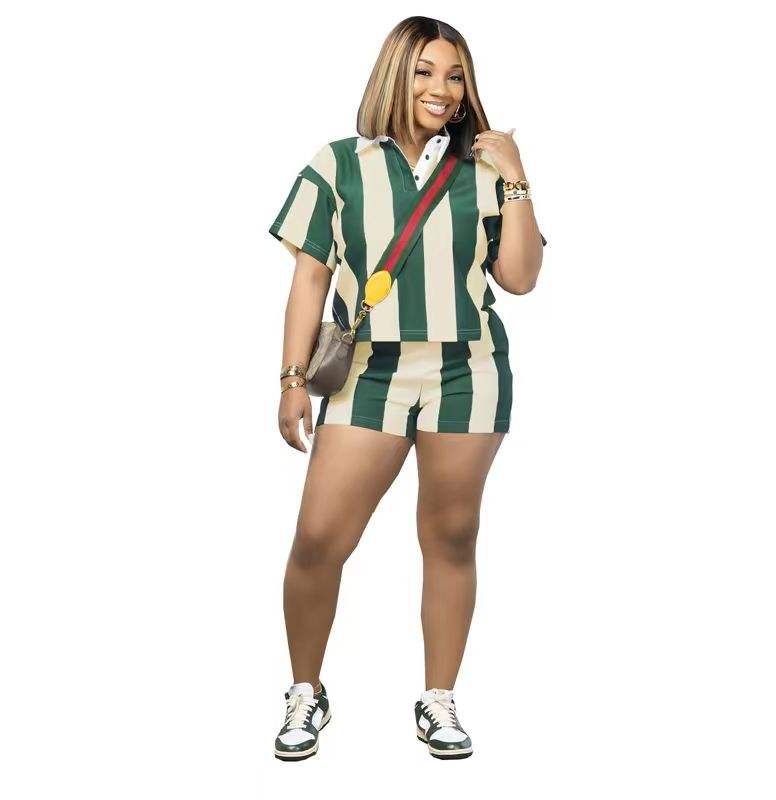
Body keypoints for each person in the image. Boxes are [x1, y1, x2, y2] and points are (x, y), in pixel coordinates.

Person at [268, 16, 546, 761]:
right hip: (369, 372)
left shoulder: (484, 168)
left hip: (467, 371)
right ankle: (305, 690)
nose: (441, 89)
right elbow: (309, 280)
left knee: (451, 535)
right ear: (396, 73)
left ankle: (438, 698)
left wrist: (517, 173)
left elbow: (520, 278)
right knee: (318, 539)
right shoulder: (338, 164)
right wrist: (292, 379)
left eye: (455, 75)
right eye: (425, 71)